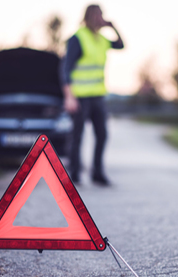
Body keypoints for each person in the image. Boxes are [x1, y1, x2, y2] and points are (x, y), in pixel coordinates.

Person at [60, 4, 124, 186]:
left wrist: (113, 27)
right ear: (88, 17)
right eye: (96, 15)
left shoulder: (102, 40)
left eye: (101, 15)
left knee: (102, 134)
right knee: (77, 135)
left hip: (97, 96)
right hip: (79, 96)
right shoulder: (78, 38)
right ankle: (74, 173)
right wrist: (69, 96)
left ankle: (97, 172)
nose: (99, 18)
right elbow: (65, 69)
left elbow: (121, 45)